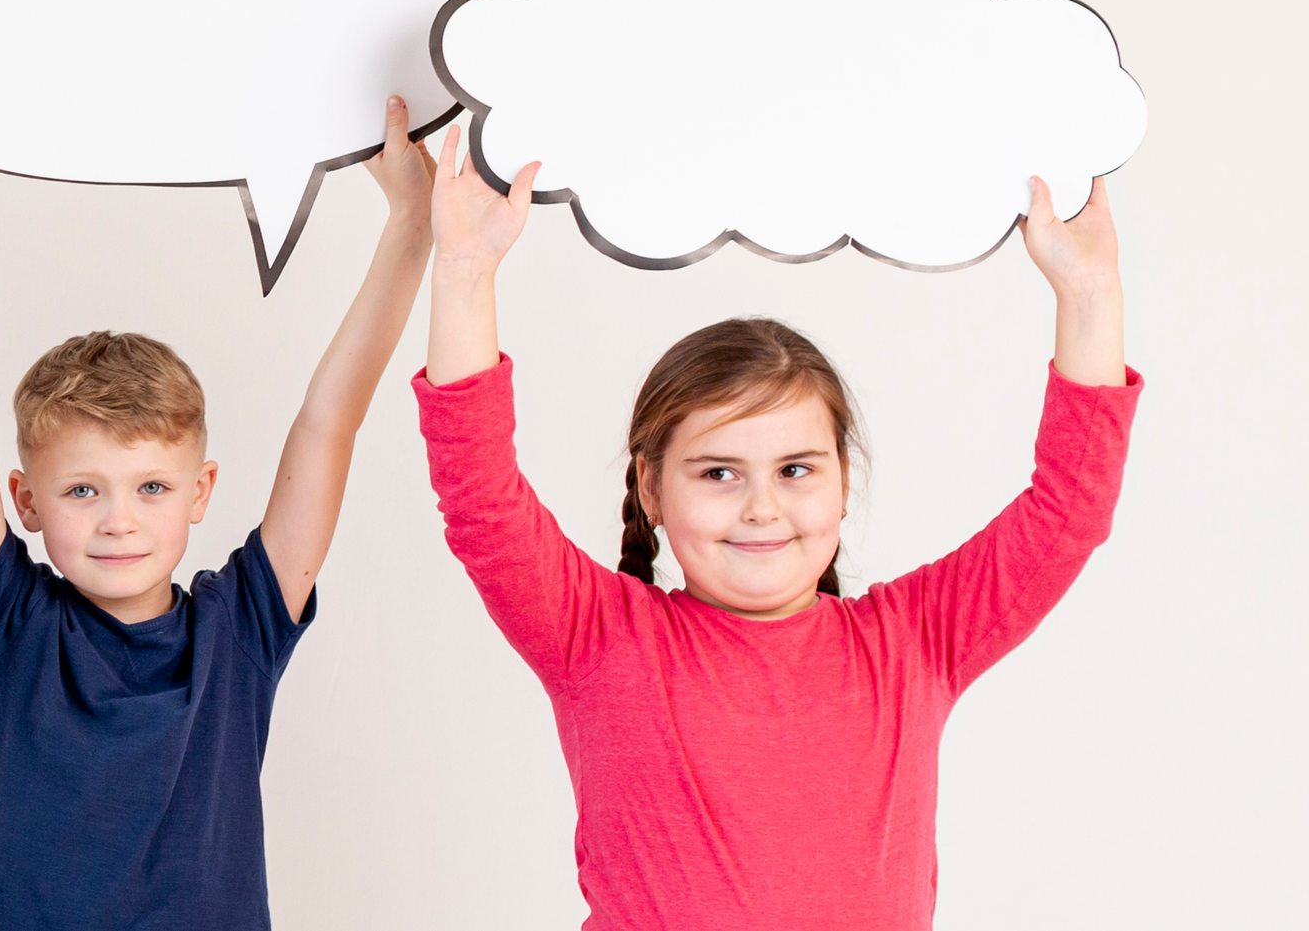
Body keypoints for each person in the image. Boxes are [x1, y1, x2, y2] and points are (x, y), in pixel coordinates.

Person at [415, 124, 1135, 929]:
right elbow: (479, 491)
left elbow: (1070, 508)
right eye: (719, 473)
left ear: (842, 482)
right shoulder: (600, 638)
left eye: (795, 469)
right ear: (651, 487)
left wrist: (1090, 292)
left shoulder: (914, 641)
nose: (761, 507)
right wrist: (466, 270)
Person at [0, 83, 435, 929]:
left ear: (200, 491)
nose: (118, 519)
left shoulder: (239, 629)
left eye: (152, 487)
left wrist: (410, 232)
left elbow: (329, 420)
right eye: (83, 490)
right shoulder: (8, 623)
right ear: (24, 499)